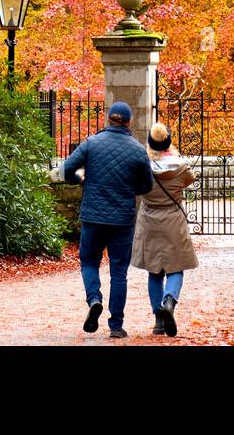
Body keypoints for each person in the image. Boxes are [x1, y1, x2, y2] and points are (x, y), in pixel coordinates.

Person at [63, 100, 153, 339]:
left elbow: (67, 169)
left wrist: (81, 180)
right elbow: (146, 186)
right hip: (122, 219)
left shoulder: (92, 143)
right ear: (129, 121)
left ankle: (94, 299)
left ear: (108, 118)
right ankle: (116, 325)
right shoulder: (137, 149)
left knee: (89, 261)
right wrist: (127, 188)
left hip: (93, 215)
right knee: (119, 272)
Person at [131, 121, 198, 338]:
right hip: (173, 221)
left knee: (154, 271)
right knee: (176, 268)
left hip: (149, 221)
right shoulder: (180, 168)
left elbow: (135, 186)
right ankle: (169, 300)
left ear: (150, 144)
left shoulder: (142, 168)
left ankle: (159, 320)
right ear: (169, 143)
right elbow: (190, 179)